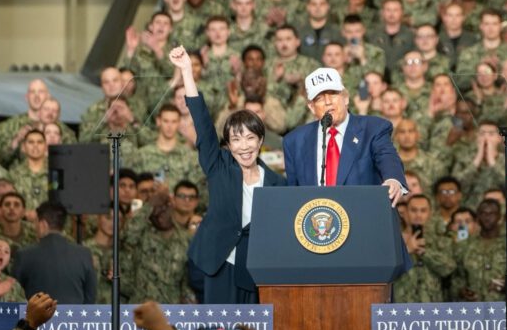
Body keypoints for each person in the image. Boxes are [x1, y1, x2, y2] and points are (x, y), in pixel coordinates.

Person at [169, 45, 286, 304]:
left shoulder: (278, 183)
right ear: (228, 145)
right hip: (219, 264)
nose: (243, 146)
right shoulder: (218, 166)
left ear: (261, 141)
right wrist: (187, 70)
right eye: (236, 139)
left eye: (249, 138)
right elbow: (201, 122)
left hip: (257, 269)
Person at [283, 67, 406, 204]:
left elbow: (387, 157)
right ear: (311, 107)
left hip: (364, 215)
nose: (328, 101)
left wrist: (393, 179)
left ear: (346, 98)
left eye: (333, 94)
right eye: (319, 98)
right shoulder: (294, 141)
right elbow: (293, 195)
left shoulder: (373, 129)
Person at [11, 201, 96, 304]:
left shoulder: (24, 255)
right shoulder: (84, 254)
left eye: (36, 222)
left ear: (43, 224)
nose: (35, 227)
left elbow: (14, 295)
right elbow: (90, 298)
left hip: (38, 319)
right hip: (75, 319)